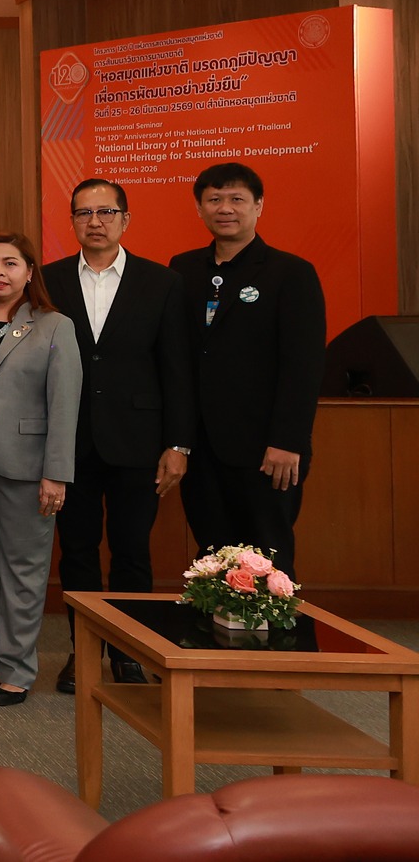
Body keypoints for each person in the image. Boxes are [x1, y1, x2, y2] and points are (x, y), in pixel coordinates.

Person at [42, 178, 194, 694]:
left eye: (106, 212)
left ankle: (130, 652)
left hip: (138, 440)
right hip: (70, 441)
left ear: (126, 219)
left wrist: (178, 444)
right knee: (77, 552)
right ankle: (84, 651)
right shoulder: (49, 281)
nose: (96, 222)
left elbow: (176, 367)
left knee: (132, 552)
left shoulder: (162, 282)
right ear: (72, 222)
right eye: (84, 213)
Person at [168, 163, 326, 579]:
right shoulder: (183, 269)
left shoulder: (291, 272)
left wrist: (287, 441)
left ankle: (273, 625)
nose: (225, 208)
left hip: (266, 450)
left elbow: (304, 364)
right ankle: (215, 624)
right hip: (202, 449)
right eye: (214, 199)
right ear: (199, 208)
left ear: (258, 206)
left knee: (268, 556)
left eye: (237, 199)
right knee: (211, 556)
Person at [0, 233, 81, 707]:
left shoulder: (54, 326)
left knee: (24, 567)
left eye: (10, 263)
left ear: (29, 272)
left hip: (28, 462)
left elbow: (64, 405)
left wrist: (56, 472)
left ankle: (18, 668)